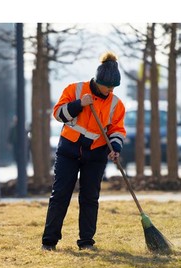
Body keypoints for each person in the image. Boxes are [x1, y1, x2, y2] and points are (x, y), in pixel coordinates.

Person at [41, 52, 126, 251]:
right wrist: (79, 104)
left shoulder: (116, 104)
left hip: (95, 155)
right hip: (68, 152)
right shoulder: (75, 90)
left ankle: (86, 242)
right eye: (108, 86)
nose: (111, 90)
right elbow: (58, 114)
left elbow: (117, 130)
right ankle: (49, 241)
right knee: (60, 195)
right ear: (98, 81)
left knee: (90, 198)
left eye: (114, 87)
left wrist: (115, 148)